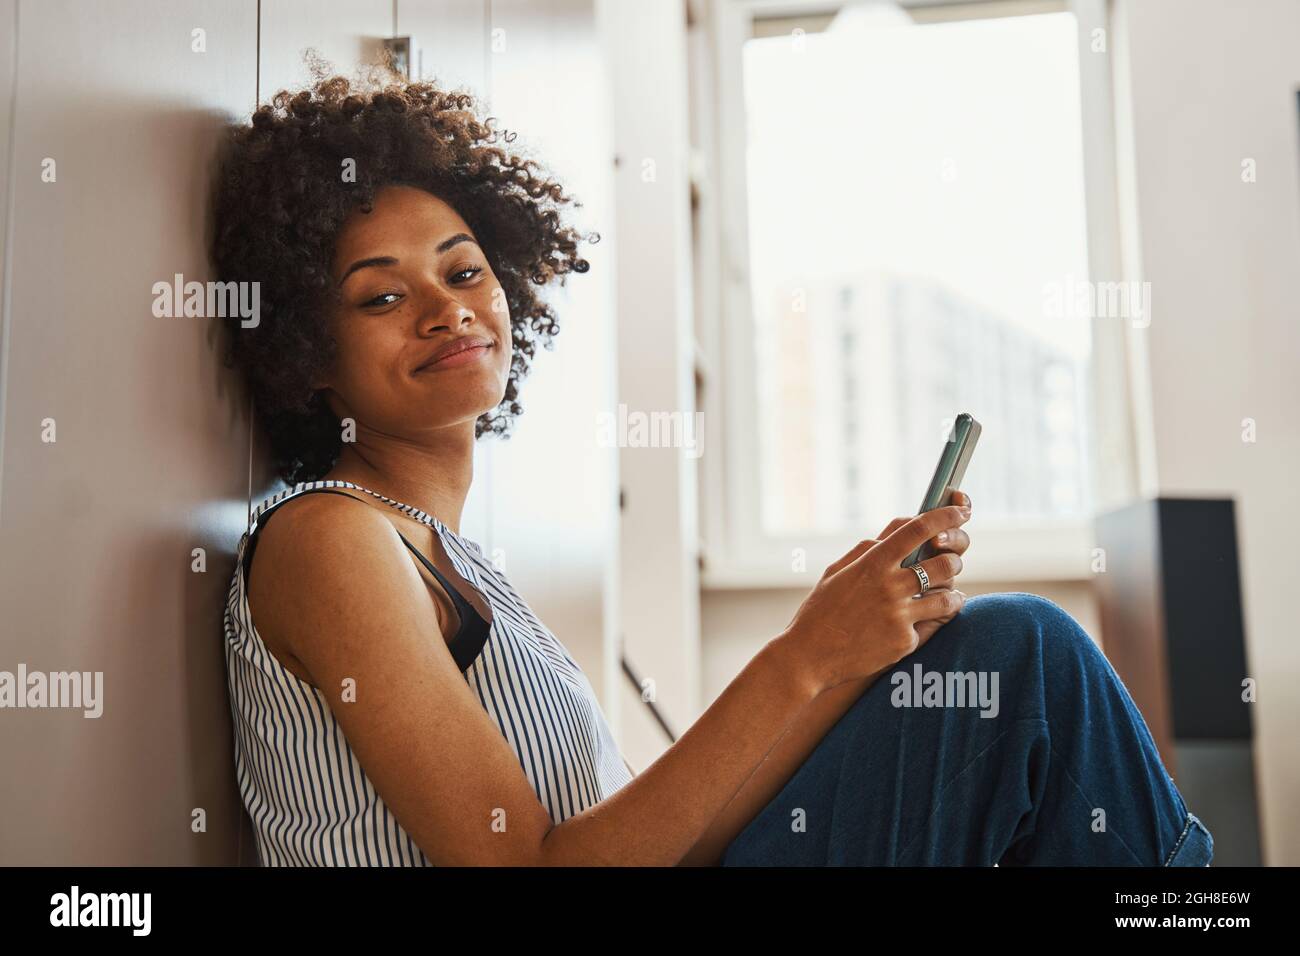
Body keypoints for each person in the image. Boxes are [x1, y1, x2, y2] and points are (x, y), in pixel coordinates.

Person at [211, 72, 1212, 867]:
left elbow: (663, 839)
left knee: (1000, 662)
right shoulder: (329, 537)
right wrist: (803, 659)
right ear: (310, 353)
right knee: (1022, 658)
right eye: (381, 298)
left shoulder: (463, 568)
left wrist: (835, 650)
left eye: (464, 269)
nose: (445, 307)